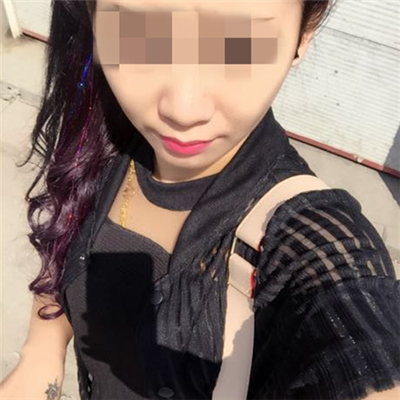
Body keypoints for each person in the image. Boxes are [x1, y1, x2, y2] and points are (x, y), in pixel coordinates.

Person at [1, 0, 399, 399]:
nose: (183, 110)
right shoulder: (100, 133)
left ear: (304, 34)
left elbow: (357, 335)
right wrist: (43, 349)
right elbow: (65, 238)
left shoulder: (312, 242)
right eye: (136, 36)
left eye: (242, 43)